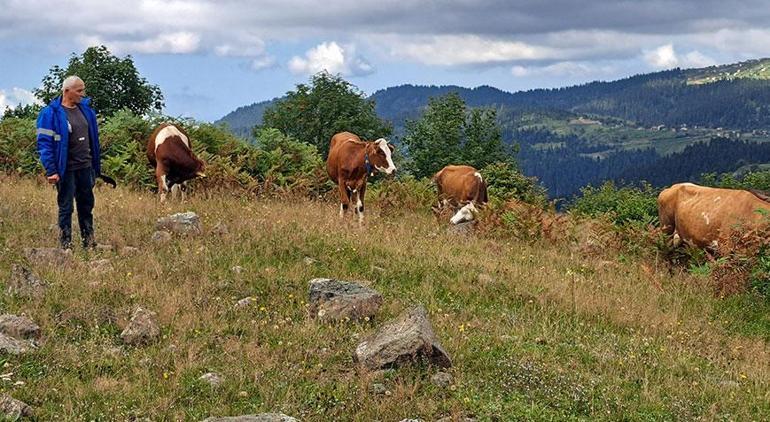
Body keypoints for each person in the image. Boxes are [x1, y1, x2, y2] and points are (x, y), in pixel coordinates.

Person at [36, 75, 102, 250]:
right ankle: (66, 246)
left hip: (85, 168)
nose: (83, 94)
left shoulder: (87, 111)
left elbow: (93, 140)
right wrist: (51, 170)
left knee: (86, 206)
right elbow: (44, 144)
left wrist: (96, 167)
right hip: (66, 170)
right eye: (79, 90)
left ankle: (89, 243)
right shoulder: (50, 113)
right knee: (66, 208)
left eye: (83, 89)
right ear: (67, 91)